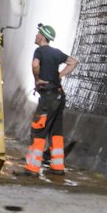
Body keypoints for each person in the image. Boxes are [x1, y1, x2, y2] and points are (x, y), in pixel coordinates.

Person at [24, 23, 79, 180]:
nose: (35, 36)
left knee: (39, 130)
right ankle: (57, 166)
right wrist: (59, 76)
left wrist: (37, 79)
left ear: (42, 36)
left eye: (37, 34)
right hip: (59, 96)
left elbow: (35, 65)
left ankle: (32, 167)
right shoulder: (56, 53)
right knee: (56, 133)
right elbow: (74, 62)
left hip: (48, 98)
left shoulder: (39, 51)